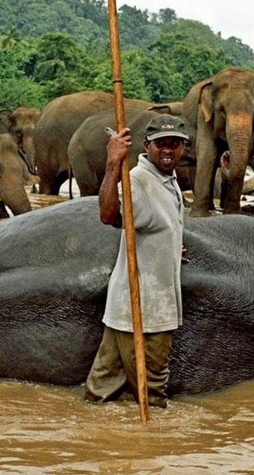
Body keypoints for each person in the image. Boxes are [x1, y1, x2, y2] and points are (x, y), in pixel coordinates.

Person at [85, 114, 187, 409]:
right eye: (161, 145)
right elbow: (108, 215)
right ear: (146, 146)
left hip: (123, 309)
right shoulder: (138, 181)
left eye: (175, 144)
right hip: (146, 310)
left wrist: (169, 250)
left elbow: (156, 226)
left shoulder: (168, 181)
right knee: (152, 394)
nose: (168, 150)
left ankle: (89, 438)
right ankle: (149, 448)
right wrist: (112, 163)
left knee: (100, 391)